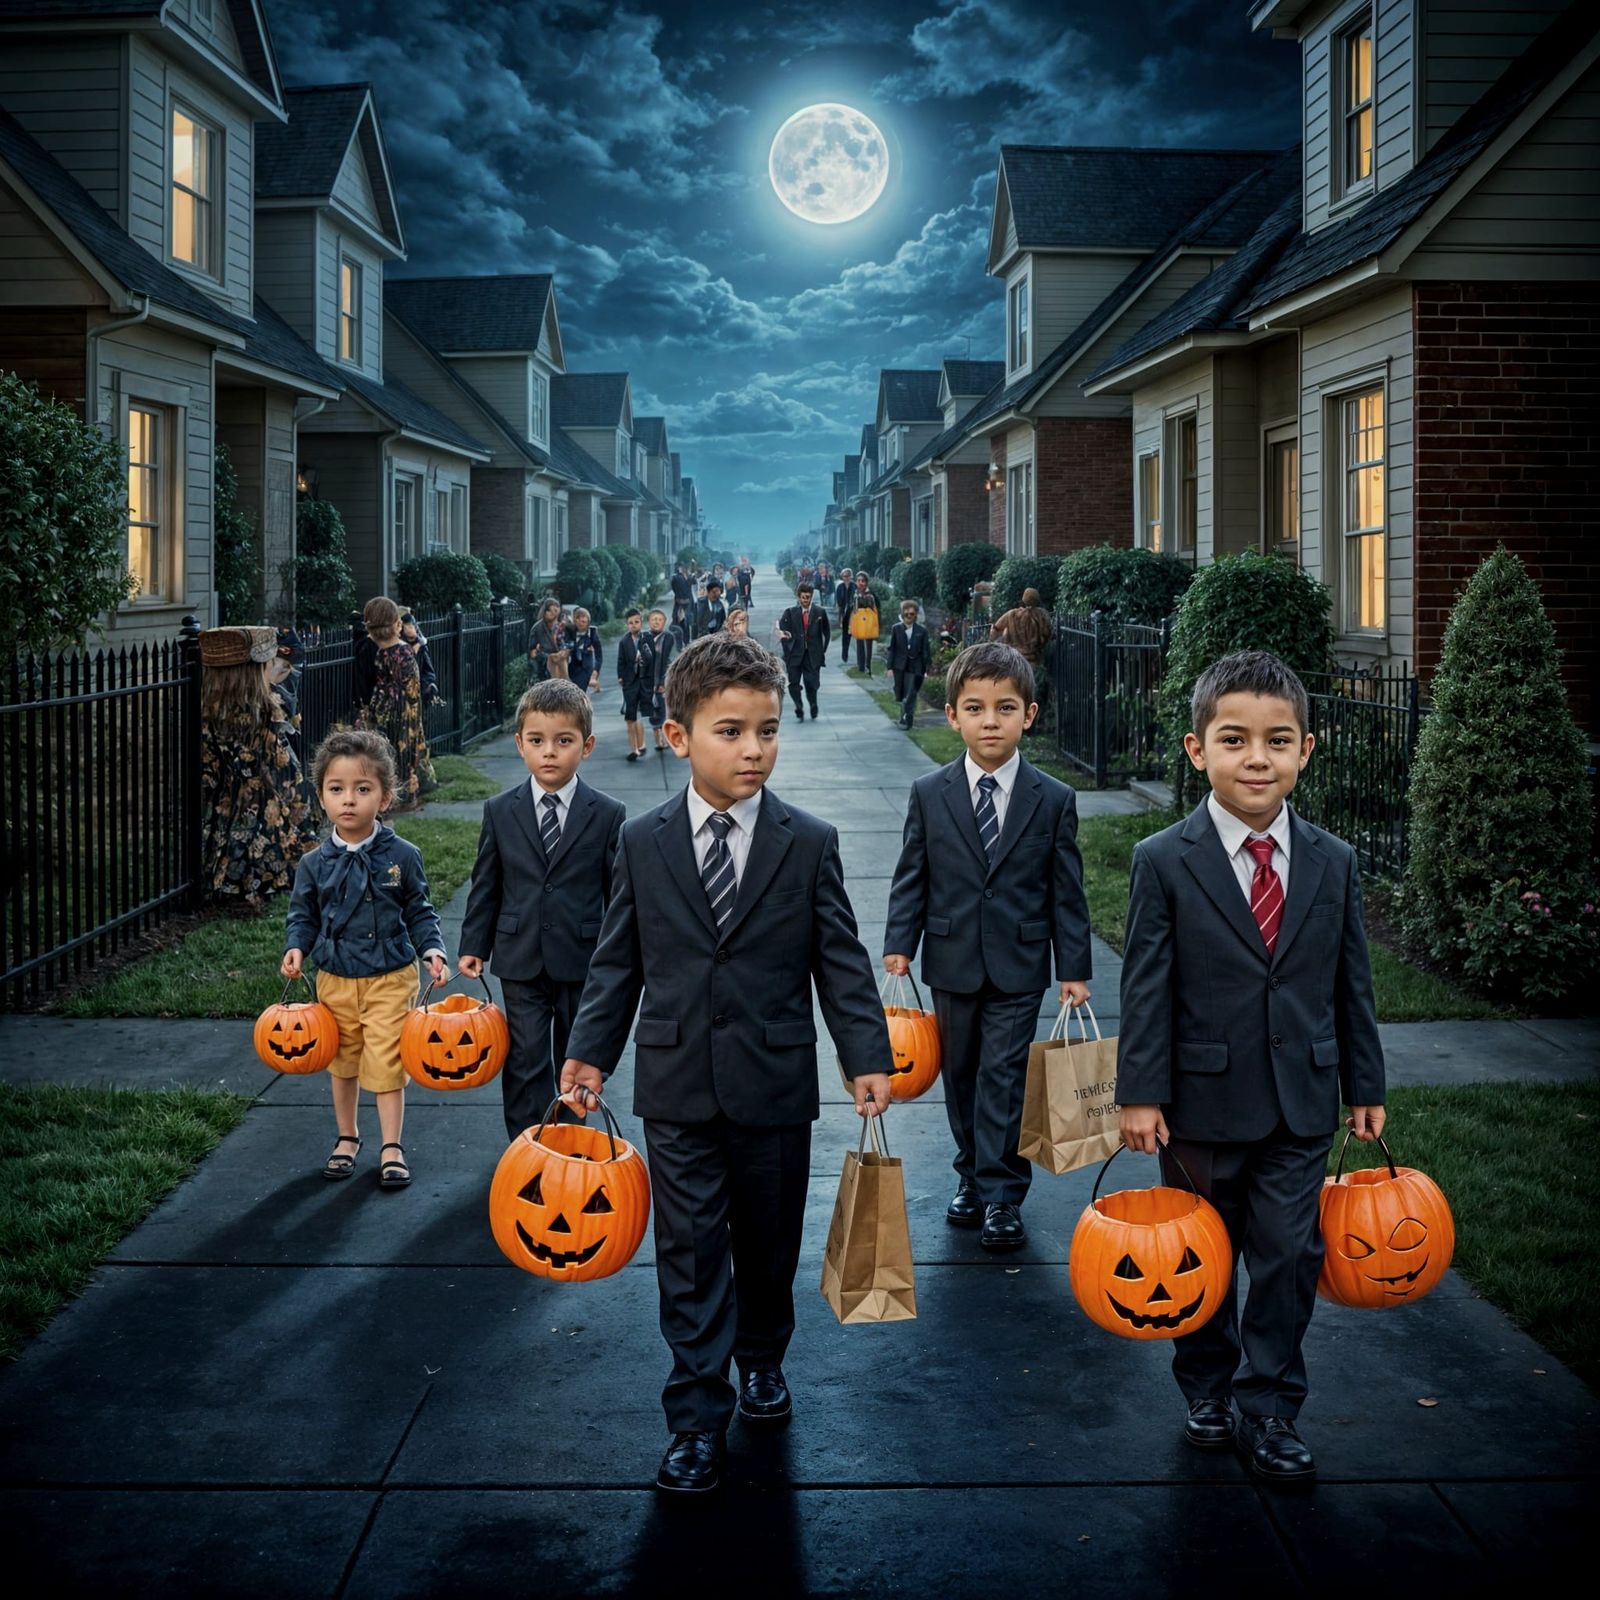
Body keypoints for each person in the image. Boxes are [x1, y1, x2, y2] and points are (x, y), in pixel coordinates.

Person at [560, 633, 893, 1495]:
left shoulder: (807, 841)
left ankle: (762, 1356)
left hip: (775, 1084)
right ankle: (696, 1417)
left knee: (768, 1240)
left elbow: (842, 961)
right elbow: (616, 960)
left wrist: (866, 1055)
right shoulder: (642, 843)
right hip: (674, 1085)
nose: (754, 750)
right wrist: (590, 1053)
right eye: (732, 731)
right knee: (693, 1251)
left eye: (768, 731)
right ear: (679, 738)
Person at [1117, 651, 1386, 1486]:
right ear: (1198, 750)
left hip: (1301, 1102)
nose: (1257, 758)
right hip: (1196, 1107)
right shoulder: (1166, 858)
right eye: (1235, 740)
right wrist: (1140, 1093)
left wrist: (1365, 1085)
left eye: (1278, 741)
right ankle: (1206, 1389)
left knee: (1287, 1256)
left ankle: (1269, 1406)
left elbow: (1352, 982)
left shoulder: (1333, 861)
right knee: (1195, 1260)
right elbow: (1147, 984)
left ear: (1307, 749)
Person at [883, 641, 1092, 1253]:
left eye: (1005, 708)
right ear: (953, 716)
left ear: (1028, 715)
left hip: (1021, 963)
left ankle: (1003, 1195)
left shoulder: (1052, 799)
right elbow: (911, 874)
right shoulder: (930, 792)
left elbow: (1067, 891)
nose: (990, 721)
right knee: (963, 1074)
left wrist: (1072, 967)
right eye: (975, 708)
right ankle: (970, 1176)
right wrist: (901, 943)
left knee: (1003, 1074)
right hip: (950, 961)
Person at [459, 681, 624, 1145]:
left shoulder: (608, 814)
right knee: (527, 1057)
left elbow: (617, 894)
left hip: (582, 958)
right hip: (520, 955)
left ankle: (571, 1143)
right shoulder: (500, 811)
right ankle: (528, 1145)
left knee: (576, 1055)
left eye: (563, 741)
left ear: (586, 746)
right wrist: (474, 944)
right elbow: (487, 883)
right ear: (520, 744)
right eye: (537, 741)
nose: (549, 752)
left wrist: (622, 957)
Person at [284, 728, 448, 1189]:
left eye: (362, 789)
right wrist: (297, 946)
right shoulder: (314, 864)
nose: (349, 800)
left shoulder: (403, 855)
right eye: (337, 790)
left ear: (385, 796)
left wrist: (431, 948)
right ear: (321, 796)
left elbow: (419, 910)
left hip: (390, 977)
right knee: (344, 1061)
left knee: (388, 1060)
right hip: (335, 979)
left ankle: (391, 1145)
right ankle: (347, 1136)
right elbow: (303, 916)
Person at [199, 626, 317, 903]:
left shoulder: (210, 705)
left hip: (222, 802)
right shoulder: (260, 710)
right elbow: (282, 770)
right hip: (262, 805)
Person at [355, 596, 434, 811]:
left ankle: (393, 798)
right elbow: (410, 688)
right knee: (397, 757)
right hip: (401, 713)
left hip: (388, 710)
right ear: (397, 624)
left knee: (390, 757)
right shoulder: (401, 651)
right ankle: (396, 799)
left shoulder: (386, 651)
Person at [991, 588, 1053, 729]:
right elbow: (1048, 634)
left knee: (1013, 693)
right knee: (1033, 693)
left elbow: (996, 628)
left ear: (1024, 599)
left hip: (1013, 660)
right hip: (1033, 661)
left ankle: (1012, 723)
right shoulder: (1042, 616)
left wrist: (996, 644)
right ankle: (1032, 724)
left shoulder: (1012, 614)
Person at [777, 581, 830, 722]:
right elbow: (782, 631)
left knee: (811, 683)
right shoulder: (790, 612)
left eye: (808, 597)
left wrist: (821, 651)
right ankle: (798, 705)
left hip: (812, 655)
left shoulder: (820, 612)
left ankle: (813, 703)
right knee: (793, 683)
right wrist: (787, 648)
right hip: (794, 655)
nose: (806, 600)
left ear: (812, 597)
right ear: (798, 597)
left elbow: (826, 633)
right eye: (803, 597)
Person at [886, 600, 931, 730]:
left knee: (911, 693)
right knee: (900, 693)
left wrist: (926, 668)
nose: (909, 617)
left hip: (916, 666)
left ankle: (908, 720)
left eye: (912, 614)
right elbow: (892, 648)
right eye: (906, 614)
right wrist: (889, 667)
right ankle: (903, 716)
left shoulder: (922, 631)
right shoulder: (896, 628)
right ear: (902, 614)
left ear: (916, 615)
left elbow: (926, 650)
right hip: (899, 665)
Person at [640, 607, 675, 753]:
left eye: (660, 620)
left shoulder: (669, 638)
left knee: (663, 709)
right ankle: (657, 739)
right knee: (652, 710)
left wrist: (664, 682)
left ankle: (665, 737)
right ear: (649, 621)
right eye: (654, 619)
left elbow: (671, 660)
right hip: (648, 681)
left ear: (664, 622)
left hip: (663, 680)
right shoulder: (643, 638)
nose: (656, 622)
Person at [399, 612, 442, 708]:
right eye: (408, 627)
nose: (412, 629)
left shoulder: (422, 647)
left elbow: (428, 671)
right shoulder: (399, 647)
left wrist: (428, 685)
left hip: (418, 695)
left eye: (413, 626)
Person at [846, 571, 879, 676]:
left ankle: (868, 666)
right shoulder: (854, 594)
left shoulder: (871, 595)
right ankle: (860, 666)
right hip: (858, 622)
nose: (860, 583)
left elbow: (875, 608)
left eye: (863, 581)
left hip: (868, 622)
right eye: (859, 581)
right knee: (859, 643)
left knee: (868, 645)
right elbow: (852, 609)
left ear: (866, 582)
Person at [528, 598, 568, 683]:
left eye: (555, 610)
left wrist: (564, 651)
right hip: (544, 664)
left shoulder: (562, 626)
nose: (552, 613)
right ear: (544, 611)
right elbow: (532, 652)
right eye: (548, 610)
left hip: (561, 662)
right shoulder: (537, 628)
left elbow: (567, 644)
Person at [568, 606, 602, 694]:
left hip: (585, 668)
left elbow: (599, 656)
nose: (580, 620)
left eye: (583, 617)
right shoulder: (570, 632)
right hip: (571, 668)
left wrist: (595, 673)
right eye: (577, 617)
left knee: (578, 693)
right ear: (574, 620)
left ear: (588, 619)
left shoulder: (592, 633)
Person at [834, 568, 854, 666]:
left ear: (851, 576)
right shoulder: (840, 587)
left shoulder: (854, 586)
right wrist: (840, 616)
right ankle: (844, 655)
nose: (846, 578)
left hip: (854, 613)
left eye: (848, 576)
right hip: (844, 613)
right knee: (845, 635)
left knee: (855, 635)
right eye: (844, 576)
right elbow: (838, 602)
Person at [670, 562, 695, 631]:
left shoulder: (689, 577)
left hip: (686, 602)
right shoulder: (677, 578)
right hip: (681, 602)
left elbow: (694, 582)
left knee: (684, 623)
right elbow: (674, 588)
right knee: (680, 622)